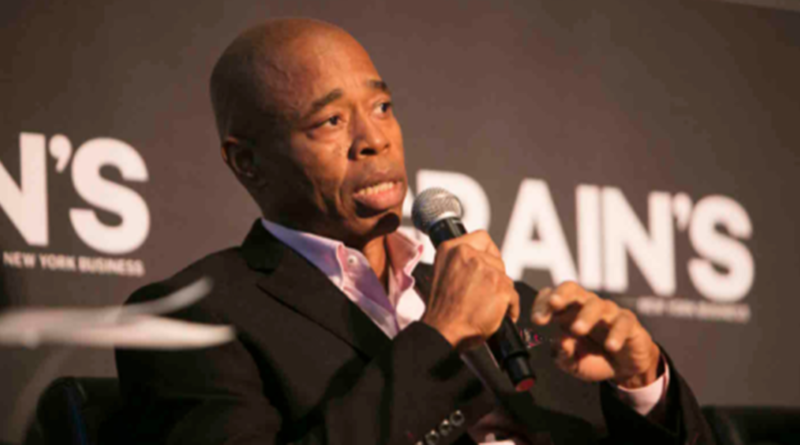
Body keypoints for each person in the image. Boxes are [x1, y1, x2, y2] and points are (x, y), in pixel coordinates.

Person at [103, 18, 715, 445]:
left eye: (382, 107)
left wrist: (643, 388)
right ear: (248, 162)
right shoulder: (190, 320)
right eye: (330, 121)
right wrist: (438, 337)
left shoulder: (510, 306)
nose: (374, 139)